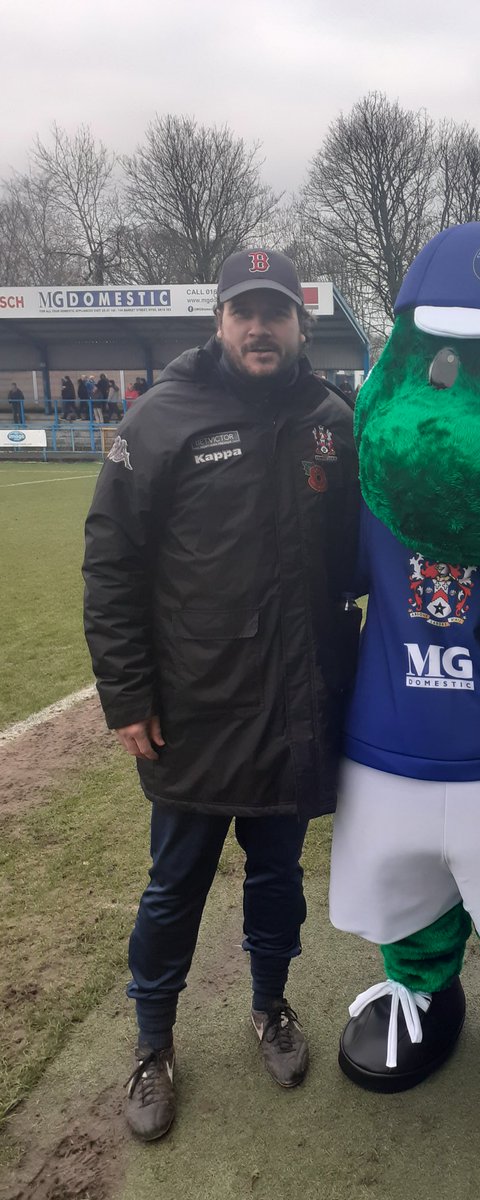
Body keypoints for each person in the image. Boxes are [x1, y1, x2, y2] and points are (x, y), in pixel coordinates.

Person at [83, 247, 360, 1142]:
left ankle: (271, 1003)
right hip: (196, 712)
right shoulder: (162, 418)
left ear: (299, 325)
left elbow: (363, 556)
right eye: (242, 310)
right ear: (218, 322)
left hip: (295, 709)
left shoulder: (332, 418)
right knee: (175, 887)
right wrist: (127, 696)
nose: (258, 326)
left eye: (273, 311)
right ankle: (153, 1040)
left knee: (278, 876)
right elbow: (112, 563)